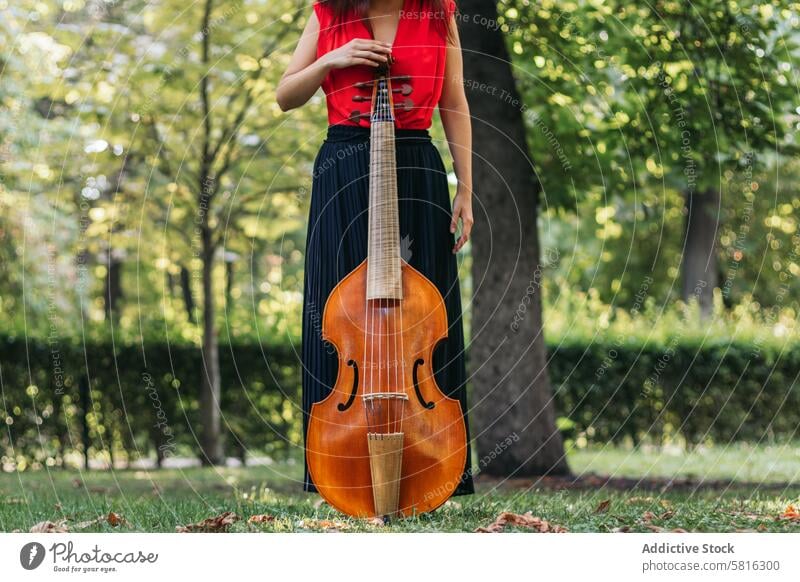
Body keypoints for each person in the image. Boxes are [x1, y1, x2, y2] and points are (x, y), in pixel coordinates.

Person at [277, 0, 475, 497]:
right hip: (344, 168)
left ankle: (432, 464)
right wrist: (331, 60)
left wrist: (466, 189)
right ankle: (336, 469)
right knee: (337, 314)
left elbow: (454, 100)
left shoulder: (438, 13)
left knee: (426, 318)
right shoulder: (327, 13)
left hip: (416, 165)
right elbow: (285, 95)